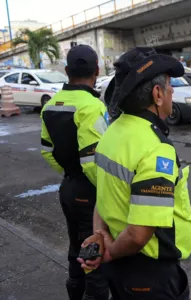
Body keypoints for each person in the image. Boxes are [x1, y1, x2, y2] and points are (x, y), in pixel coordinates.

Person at [79, 47, 191, 300]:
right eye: (168, 84)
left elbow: (103, 196)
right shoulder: (155, 148)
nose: (172, 90)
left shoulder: (113, 131)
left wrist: (100, 236)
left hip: (119, 265)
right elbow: (138, 234)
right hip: (148, 272)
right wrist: (108, 252)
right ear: (157, 94)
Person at [40, 45, 109, 300]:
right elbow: (92, 162)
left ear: (67, 71)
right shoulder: (92, 106)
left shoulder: (50, 106)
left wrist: (70, 173)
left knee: (75, 248)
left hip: (68, 188)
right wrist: (107, 190)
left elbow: (47, 151)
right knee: (94, 257)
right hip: (90, 191)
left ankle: (75, 293)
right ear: (97, 71)